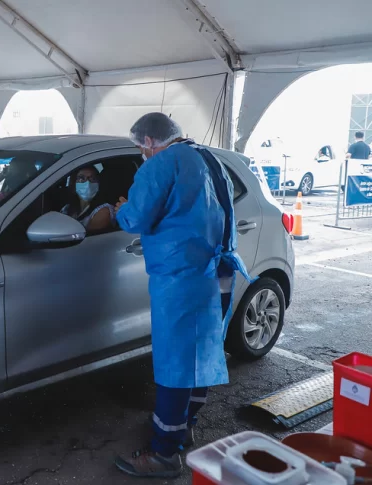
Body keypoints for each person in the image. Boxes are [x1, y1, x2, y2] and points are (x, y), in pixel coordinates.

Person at [113, 113, 252, 479]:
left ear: (148, 142)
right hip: (217, 272)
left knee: (176, 361)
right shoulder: (208, 158)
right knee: (200, 354)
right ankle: (182, 426)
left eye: (140, 146)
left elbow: (136, 219)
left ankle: (163, 455)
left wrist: (120, 209)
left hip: (183, 278)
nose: (141, 152)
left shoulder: (160, 165)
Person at [60, 166, 114, 231]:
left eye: (93, 178)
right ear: (74, 183)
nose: (87, 183)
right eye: (81, 178)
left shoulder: (104, 211)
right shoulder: (67, 208)